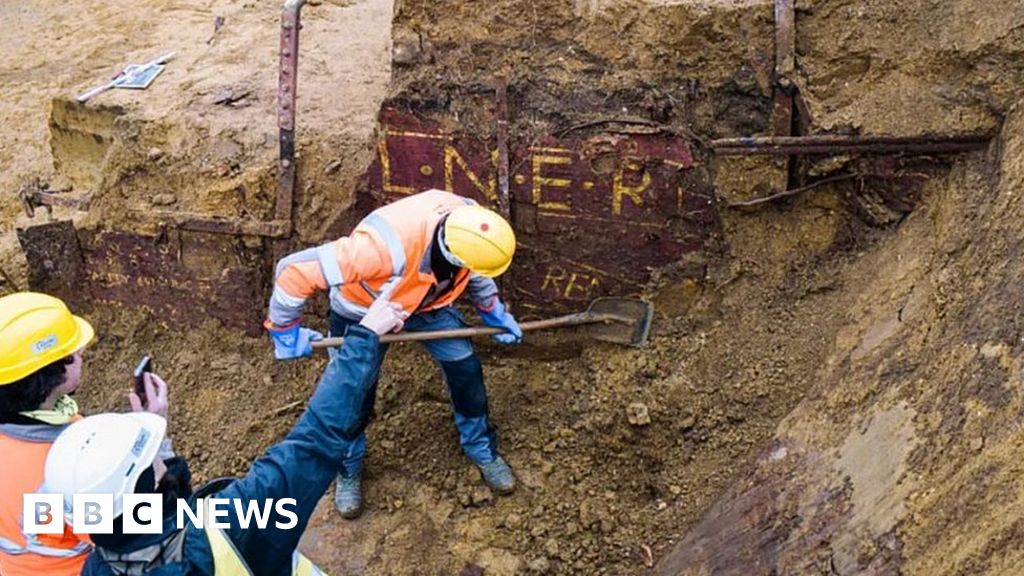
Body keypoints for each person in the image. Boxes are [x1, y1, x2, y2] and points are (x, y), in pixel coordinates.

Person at [42, 291, 409, 575]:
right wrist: (363, 338)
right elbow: (313, 442)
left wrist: (160, 439)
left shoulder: (98, 565)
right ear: (142, 488)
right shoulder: (234, 522)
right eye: (149, 456)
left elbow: (160, 520)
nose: (158, 455)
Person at [264, 189, 522, 519]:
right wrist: (284, 330)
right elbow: (293, 271)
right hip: (363, 312)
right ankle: (348, 466)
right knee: (354, 391)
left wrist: (491, 308)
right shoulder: (380, 251)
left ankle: (480, 448)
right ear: (453, 254)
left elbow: (476, 267)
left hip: (427, 303)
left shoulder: (471, 221)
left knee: (465, 369)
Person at [0, 292, 169, 575]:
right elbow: (141, 530)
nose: (82, 353)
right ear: (53, 372)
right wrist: (153, 443)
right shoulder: (60, 472)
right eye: (73, 351)